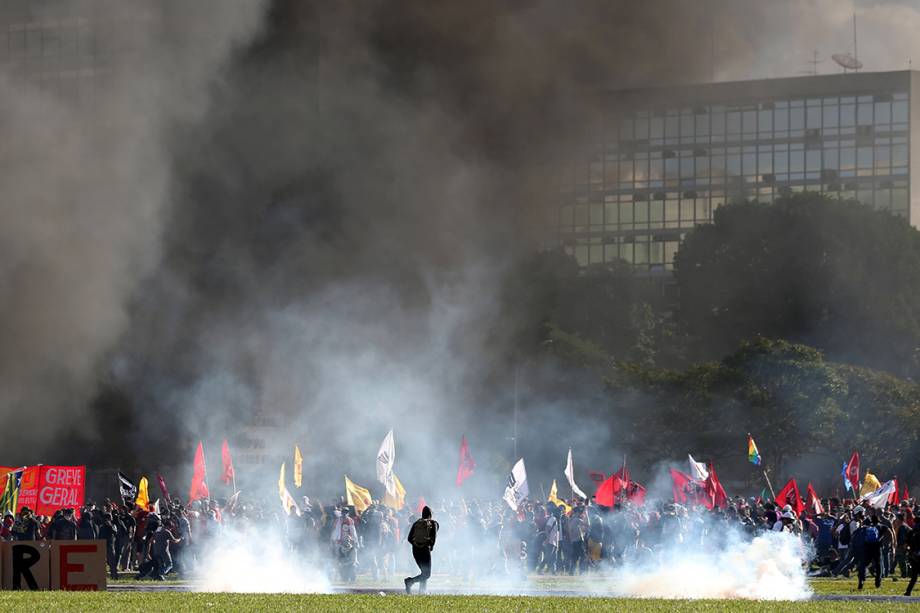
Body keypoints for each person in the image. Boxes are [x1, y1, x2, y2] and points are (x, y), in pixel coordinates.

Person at [405, 506, 439, 594]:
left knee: (424, 572)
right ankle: (410, 581)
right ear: (430, 515)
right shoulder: (433, 523)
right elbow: (433, 539)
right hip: (425, 550)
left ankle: (422, 591)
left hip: (415, 551)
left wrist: (417, 545)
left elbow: (409, 538)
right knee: (427, 574)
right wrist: (430, 547)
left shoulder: (416, 523)